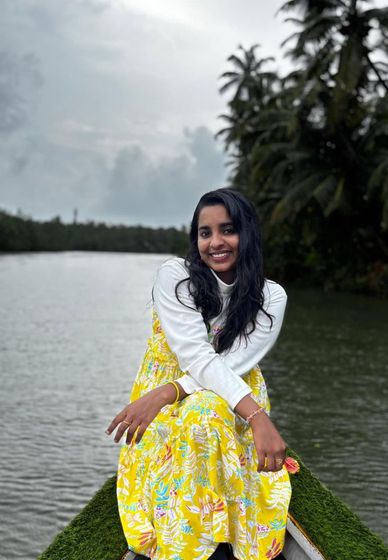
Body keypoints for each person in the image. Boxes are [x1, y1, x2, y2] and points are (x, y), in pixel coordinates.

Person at [106, 188, 295, 560]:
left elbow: (229, 366)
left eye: (228, 229)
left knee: (205, 412)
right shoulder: (175, 276)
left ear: (248, 233)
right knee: (197, 416)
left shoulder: (271, 296)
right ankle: (196, 547)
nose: (215, 242)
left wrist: (167, 393)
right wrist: (164, 396)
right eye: (205, 232)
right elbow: (196, 356)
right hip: (169, 404)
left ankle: (210, 541)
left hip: (230, 396)